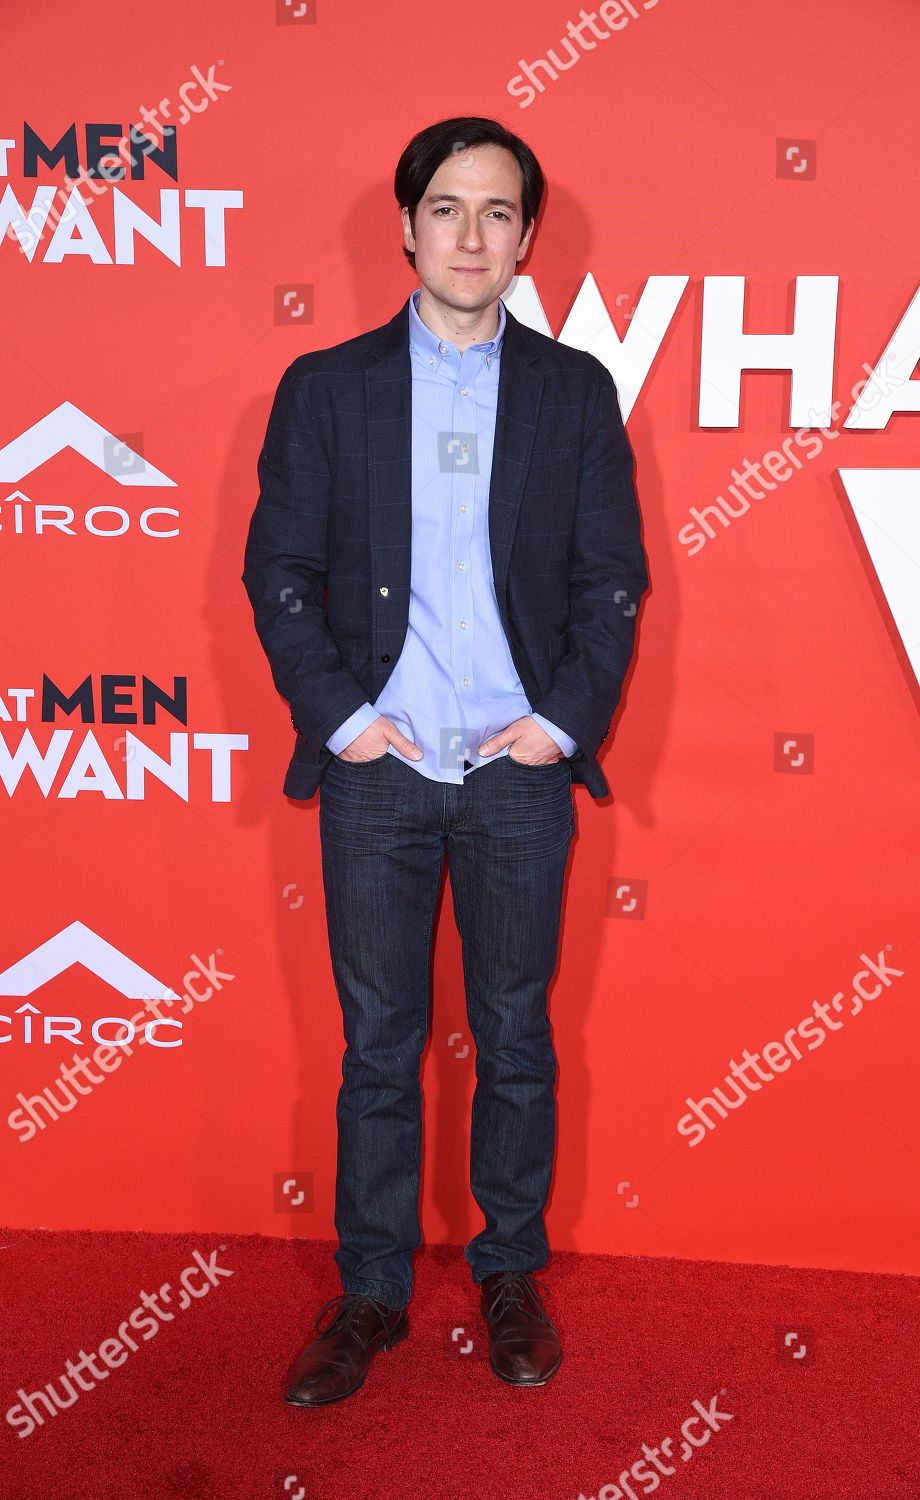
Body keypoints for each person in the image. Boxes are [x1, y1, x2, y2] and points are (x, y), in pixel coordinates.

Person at [242, 114, 649, 1405]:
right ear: (408, 225)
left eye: (498, 213)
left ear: (527, 239)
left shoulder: (573, 389)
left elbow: (612, 581)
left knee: (517, 1035)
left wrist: (562, 724)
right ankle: (369, 1295)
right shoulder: (329, 387)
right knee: (381, 1044)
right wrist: (349, 722)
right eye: (448, 209)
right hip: (377, 771)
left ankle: (509, 1273)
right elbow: (280, 575)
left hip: (521, 771)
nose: (472, 235)